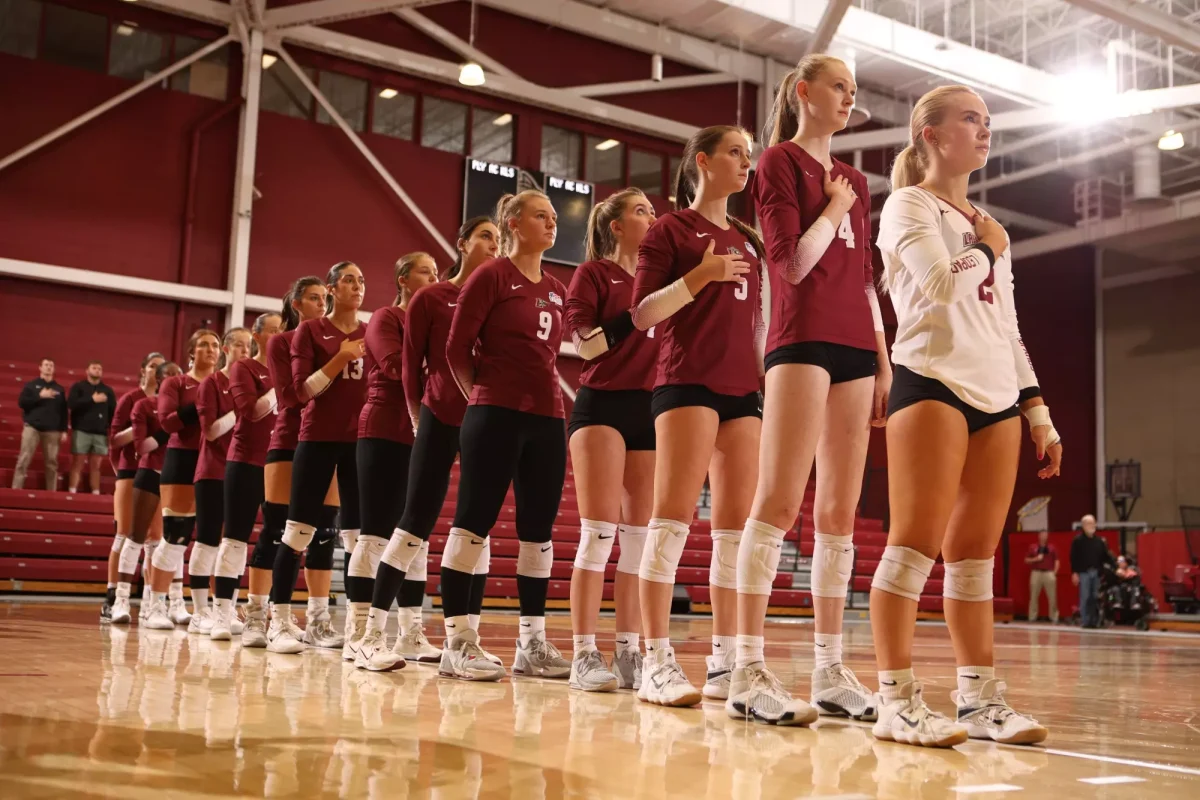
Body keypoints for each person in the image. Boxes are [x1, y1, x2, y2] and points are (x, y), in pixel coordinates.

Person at [871, 84, 1063, 747]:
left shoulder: (985, 222)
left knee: (976, 558)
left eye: (989, 122)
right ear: (930, 133)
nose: (985, 131)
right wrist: (986, 246)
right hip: (931, 381)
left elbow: (1006, 329)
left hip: (997, 398)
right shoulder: (908, 205)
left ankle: (979, 702)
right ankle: (895, 702)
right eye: (972, 120)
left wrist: (1039, 413)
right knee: (913, 546)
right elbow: (939, 284)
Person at [735, 54, 889, 724]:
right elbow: (791, 262)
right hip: (799, 341)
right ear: (804, 93)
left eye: (854, 90)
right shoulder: (778, 162)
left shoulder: (854, 178)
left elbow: (862, 280)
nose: (849, 97)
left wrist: (884, 362)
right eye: (838, 86)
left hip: (857, 344)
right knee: (777, 499)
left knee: (838, 514)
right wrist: (831, 208)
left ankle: (830, 669)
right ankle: (746, 666)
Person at [630, 125, 765, 708]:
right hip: (686, 382)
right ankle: (654, 660)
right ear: (703, 161)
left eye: (750, 156)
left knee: (734, 536)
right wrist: (698, 277)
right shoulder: (670, 229)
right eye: (736, 153)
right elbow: (640, 315)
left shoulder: (749, 239)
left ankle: (724, 659)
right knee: (671, 523)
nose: (746, 164)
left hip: (745, 391)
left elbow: (758, 324)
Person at [437, 191, 569, 682]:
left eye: (554, 217)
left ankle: (531, 643)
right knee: (473, 522)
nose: (551, 222)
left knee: (539, 534)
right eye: (541, 215)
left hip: (548, 419)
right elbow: (455, 348)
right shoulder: (489, 276)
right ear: (513, 222)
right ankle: (458, 642)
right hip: (494, 413)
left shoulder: (557, 288)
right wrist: (483, 396)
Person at [373, 217, 503, 670]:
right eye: (487, 236)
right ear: (463, 242)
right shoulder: (431, 297)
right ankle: (372, 634)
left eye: (499, 239)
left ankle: (462, 640)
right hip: (437, 416)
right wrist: (416, 417)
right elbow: (411, 367)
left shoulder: (496, 297)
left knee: (477, 531)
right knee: (414, 524)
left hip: (484, 422)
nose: (494, 245)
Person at [564, 188, 659, 693]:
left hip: (648, 410)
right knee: (598, 534)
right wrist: (637, 314)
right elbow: (586, 345)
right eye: (642, 210)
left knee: (638, 545)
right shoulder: (594, 274)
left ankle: (629, 653)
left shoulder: (660, 280)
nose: (653, 216)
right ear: (616, 226)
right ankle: (583, 654)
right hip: (601, 405)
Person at [268, 262, 368, 655]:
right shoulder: (310, 330)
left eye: (361, 280)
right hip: (317, 439)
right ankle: (278, 621)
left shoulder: (369, 332)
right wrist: (340, 358)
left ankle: (359, 628)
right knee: (297, 532)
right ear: (331, 289)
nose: (357, 286)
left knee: (357, 538)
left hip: (358, 443)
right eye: (348, 280)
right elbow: (299, 393)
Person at [354, 252, 442, 671]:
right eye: (427, 271)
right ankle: (360, 634)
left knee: (417, 536)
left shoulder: (435, 321)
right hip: (384, 427)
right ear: (404, 279)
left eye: (437, 272)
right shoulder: (386, 317)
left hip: (421, 431)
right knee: (375, 533)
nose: (435, 277)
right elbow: (393, 366)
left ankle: (410, 631)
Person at [257, 277, 342, 650]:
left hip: (330, 440)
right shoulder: (282, 341)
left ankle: (319, 618)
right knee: (279, 529)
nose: (321, 304)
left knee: (325, 533)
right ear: (294, 302)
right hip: (290, 441)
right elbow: (290, 396)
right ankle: (265, 616)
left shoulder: (340, 339)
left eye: (325, 297)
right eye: (313, 298)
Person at [143, 328, 221, 630]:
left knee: (214, 540)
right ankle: (155, 606)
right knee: (175, 536)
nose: (210, 350)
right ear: (192, 351)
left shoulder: (224, 383)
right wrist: (200, 403)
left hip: (216, 461)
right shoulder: (177, 382)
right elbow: (168, 421)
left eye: (215, 345)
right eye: (203, 345)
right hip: (183, 459)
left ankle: (211, 609)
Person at [212, 313, 283, 641]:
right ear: (257, 336)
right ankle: (222, 612)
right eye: (273, 329)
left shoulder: (286, 367)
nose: (280, 334)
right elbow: (251, 410)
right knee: (235, 537)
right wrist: (280, 388)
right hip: (245, 460)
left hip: (278, 461)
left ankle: (266, 610)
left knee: (277, 536)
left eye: (283, 329)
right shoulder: (244, 368)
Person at [188, 328, 252, 634]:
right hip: (213, 470)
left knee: (236, 541)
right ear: (226, 349)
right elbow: (211, 431)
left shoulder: (252, 381)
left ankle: (226, 608)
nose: (243, 350)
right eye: (238, 345)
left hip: (243, 469)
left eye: (248, 346)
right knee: (208, 539)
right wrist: (242, 411)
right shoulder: (213, 383)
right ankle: (201, 611)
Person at [111, 361, 181, 624]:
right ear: (160, 380)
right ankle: (121, 600)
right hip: (149, 471)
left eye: (179, 375)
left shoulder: (186, 408)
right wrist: (170, 426)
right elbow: (142, 446)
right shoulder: (143, 405)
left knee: (169, 540)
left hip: (176, 476)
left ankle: (162, 602)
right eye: (170, 375)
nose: (176, 379)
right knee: (135, 536)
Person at [103, 352, 165, 623]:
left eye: (160, 368)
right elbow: (114, 439)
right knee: (125, 533)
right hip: (130, 469)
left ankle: (152, 599)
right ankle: (113, 596)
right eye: (152, 366)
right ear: (143, 370)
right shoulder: (131, 400)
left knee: (155, 538)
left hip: (158, 470)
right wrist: (140, 430)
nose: (156, 371)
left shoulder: (166, 402)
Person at [12, 358, 68, 490]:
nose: (49, 367)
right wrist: (39, 396)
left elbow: (63, 411)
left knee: (52, 463)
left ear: (54, 369)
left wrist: (64, 430)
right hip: (32, 427)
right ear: (40, 368)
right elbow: (22, 403)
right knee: (23, 460)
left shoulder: (59, 389)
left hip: (52, 431)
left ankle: (51, 492)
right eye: (46, 365)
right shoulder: (31, 385)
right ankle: (16, 489)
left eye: (51, 365)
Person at [67, 361, 117, 494]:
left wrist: (111, 432)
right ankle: (72, 490)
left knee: (96, 466)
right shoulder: (78, 387)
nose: (97, 370)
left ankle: (95, 491)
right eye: (94, 368)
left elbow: (113, 412)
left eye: (99, 368)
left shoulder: (107, 391)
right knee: (78, 463)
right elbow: (72, 404)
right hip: (81, 431)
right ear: (87, 371)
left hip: (100, 433)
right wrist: (92, 400)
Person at [1071, 514, 1113, 629]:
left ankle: (1094, 621)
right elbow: (1073, 557)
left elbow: (1106, 556)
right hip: (1084, 573)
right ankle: (1085, 621)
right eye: (1089, 523)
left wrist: (1116, 566)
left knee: (1095, 597)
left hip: (1096, 573)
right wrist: (1074, 573)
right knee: (1085, 597)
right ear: (1083, 526)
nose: (1092, 525)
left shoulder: (1099, 541)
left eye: (1093, 523)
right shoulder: (1077, 541)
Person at [1025, 530, 1059, 623]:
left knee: (1052, 596)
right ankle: (1032, 617)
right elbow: (1026, 560)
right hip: (1036, 573)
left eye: (1046, 535)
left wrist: (1054, 573)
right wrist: (1036, 559)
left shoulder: (1052, 548)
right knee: (1033, 596)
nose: (1044, 536)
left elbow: (1056, 560)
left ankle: (1054, 617)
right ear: (1039, 536)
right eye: (1042, 535)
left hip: (1049, 573)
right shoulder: (1033, 547)